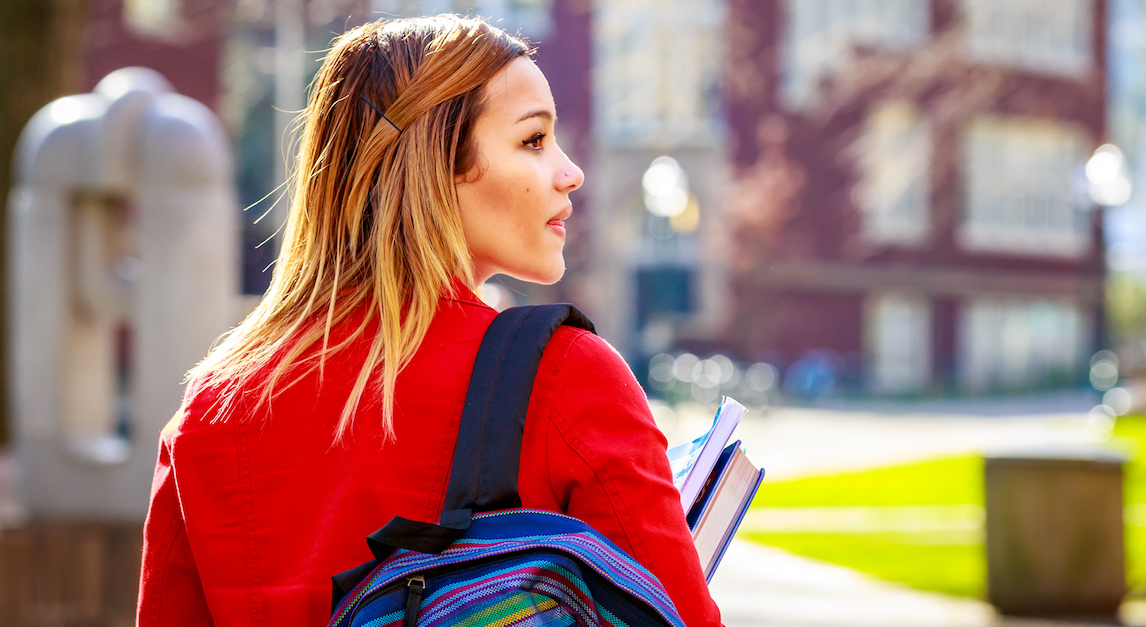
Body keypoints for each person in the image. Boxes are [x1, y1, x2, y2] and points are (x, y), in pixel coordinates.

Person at [136, 14, 723, 627]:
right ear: (437, 165)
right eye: (533, 140)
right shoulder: (567, 378)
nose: (570, 171)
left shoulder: (210, 411)